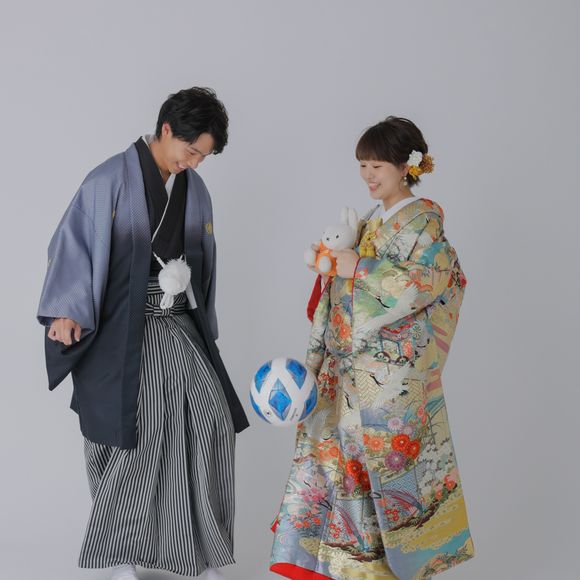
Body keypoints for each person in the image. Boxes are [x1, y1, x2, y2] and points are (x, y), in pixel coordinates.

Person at [37, 87, 249, 580]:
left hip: (176, 322)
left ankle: (200, 553)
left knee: (212, 422)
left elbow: (203, 264)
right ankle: (123, 555)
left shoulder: (194, 191)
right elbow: (73, 244)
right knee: (141, 427)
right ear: (166, 130)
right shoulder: (109, 179)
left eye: (203, 157)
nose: (193, 164)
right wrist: (66, 310)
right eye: (191, 151)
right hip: (121, 329)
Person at [269, 117, 475, 579]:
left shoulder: (424, 225)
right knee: (334, 475)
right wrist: (332, 275)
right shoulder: (368, 223)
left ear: (406, 167)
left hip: (384, 387)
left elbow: (425, 284)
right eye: (362, 164)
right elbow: (337, 296)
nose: (367, 175)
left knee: (377, 486)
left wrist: (359, 268)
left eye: (376, 165)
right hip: (344, 380)